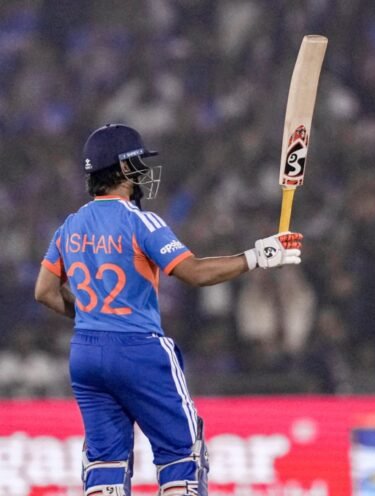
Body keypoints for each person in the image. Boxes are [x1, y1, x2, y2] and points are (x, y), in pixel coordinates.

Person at [34, 123, 303, 496]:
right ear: (123, 168)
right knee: (182, 454)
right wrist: (258, 256)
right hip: (139, 350)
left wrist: (94, 318)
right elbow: (193, 272)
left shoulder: (70, 226)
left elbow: (45, 291)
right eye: (138, 164)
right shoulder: (140, 220)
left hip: (85, 355)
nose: (143, 172)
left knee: (105, 464)